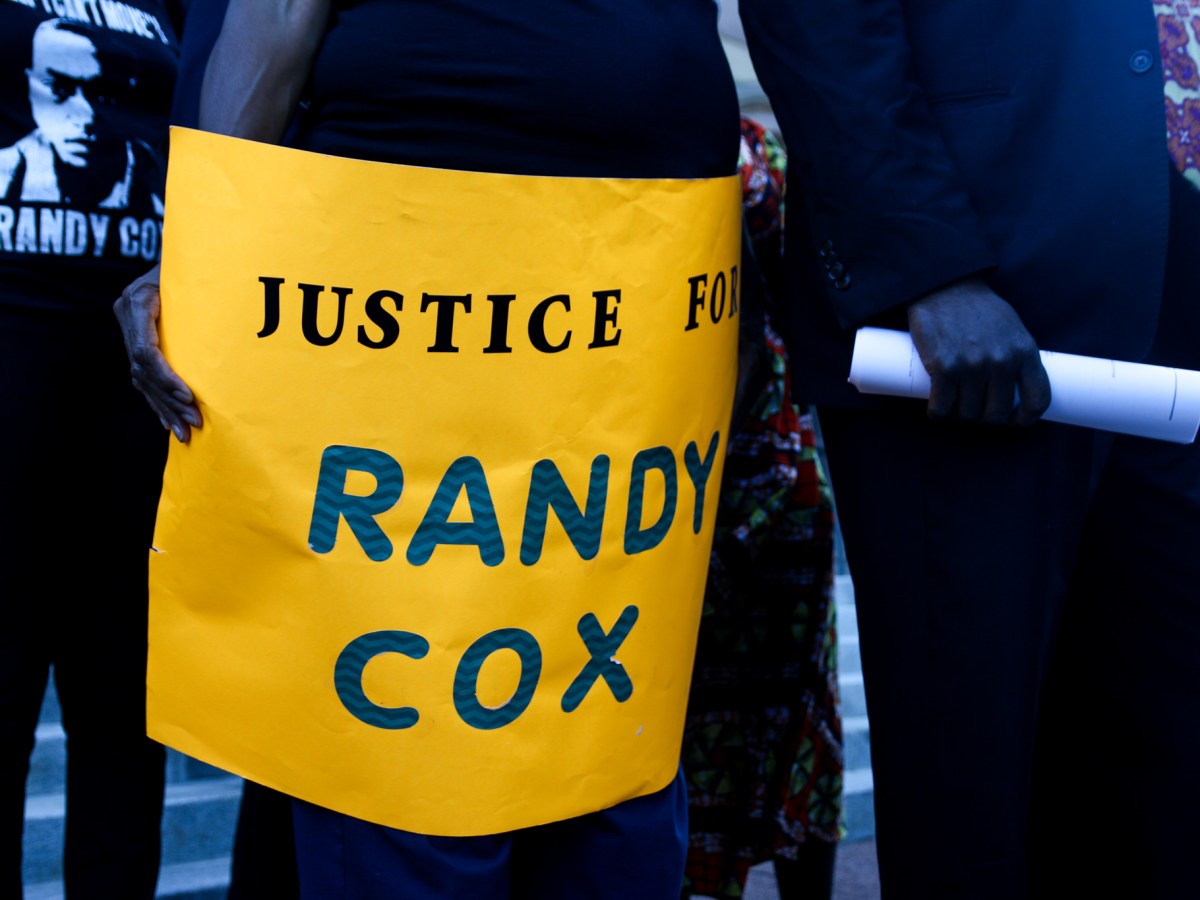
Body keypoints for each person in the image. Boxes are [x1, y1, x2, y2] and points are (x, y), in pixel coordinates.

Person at [114, 1, 740, 897]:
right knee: (407, 794)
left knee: (611, 796)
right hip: (397, 282)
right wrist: (203, 265)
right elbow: (276, 16)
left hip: (646, 299)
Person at [738, 2, 1200, 897]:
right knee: (972, 788)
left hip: (1168, 290)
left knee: (1166, 758)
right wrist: (925, 265)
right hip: (976, 313)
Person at [0, 5, 179, 897]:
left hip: (144, 393)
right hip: (10, 369)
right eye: (59, 88)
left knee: (124, 716)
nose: (83, 110)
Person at [682, 117, 842, 900]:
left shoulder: (646, 141)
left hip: (684, 479)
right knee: (791, 711)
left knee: (686, 723)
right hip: (774, 467)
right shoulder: (759, 153)